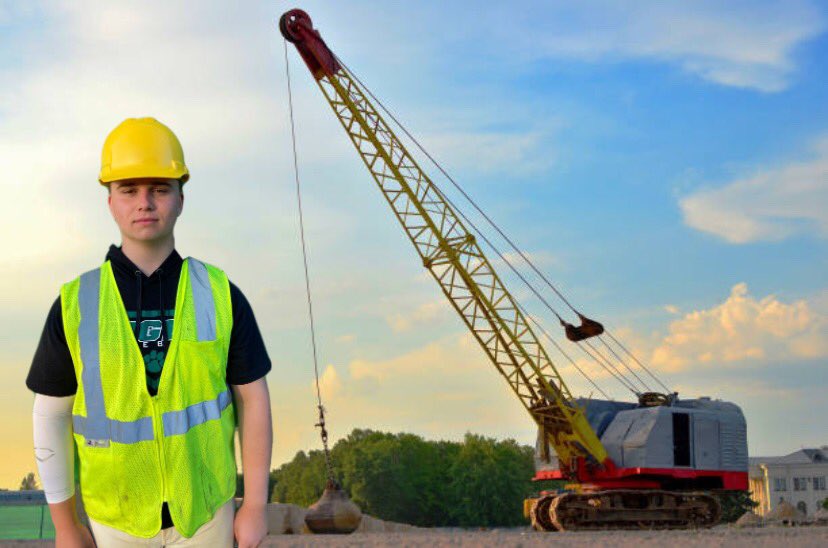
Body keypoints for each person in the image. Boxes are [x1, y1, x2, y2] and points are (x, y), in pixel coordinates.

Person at [27, 117, 273, 547]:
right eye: (129, 190)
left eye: (159, 188)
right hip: (116, 519)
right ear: (109, 202)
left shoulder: (219, 294)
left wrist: (254, 505)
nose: (145, 202)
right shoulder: (74, 304)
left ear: (180, 198)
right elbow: (50, 416)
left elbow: (253, 399)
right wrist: (67, 526)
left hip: (206, 513)